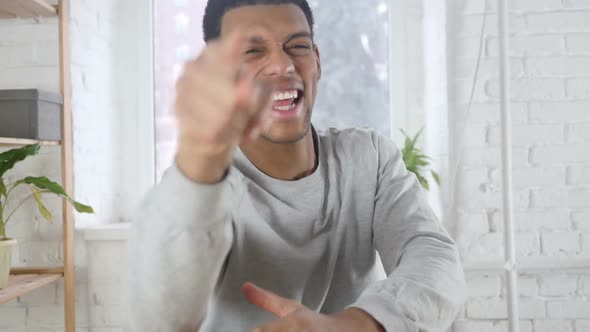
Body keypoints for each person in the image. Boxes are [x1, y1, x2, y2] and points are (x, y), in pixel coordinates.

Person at [125, 0, 467, 331]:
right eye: (253, 51)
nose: (282, 65)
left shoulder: (369, 157)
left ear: (316, 61)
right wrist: (201, 157)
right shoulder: (199, 186)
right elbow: (162, 318)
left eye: (297, 46)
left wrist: (354, 325)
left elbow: (433, 257)